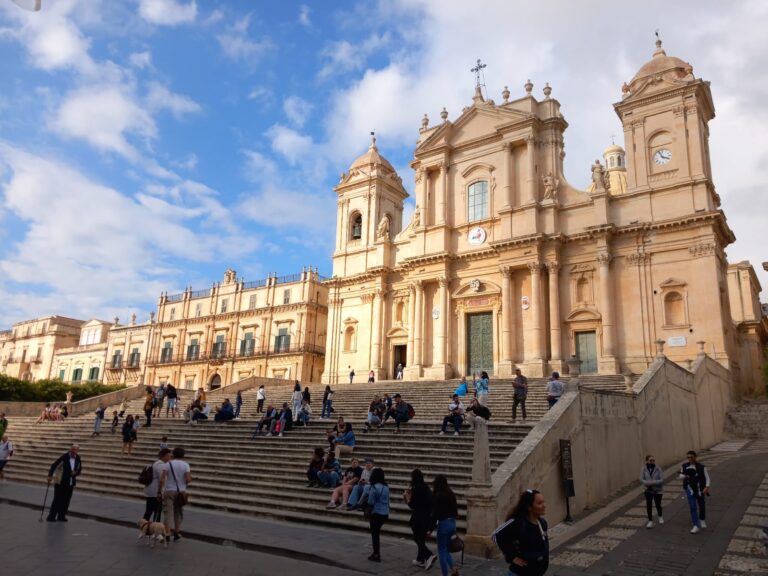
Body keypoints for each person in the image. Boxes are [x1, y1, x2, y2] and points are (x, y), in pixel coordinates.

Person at [493, 489, 549, 576]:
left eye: (543, 502)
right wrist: (512, 556)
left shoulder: (542, 523)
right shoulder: (518, 523)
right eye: (539, 503)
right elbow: (497, 535)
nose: (544, 506)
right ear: (529, 507)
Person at [405, 469, 436, 569]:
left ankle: (429, 554)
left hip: (418, 517)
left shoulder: (416, 488)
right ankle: (420, 559)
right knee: (421, 538)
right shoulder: (426, 487)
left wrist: (407, 497)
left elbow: (412, 505)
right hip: (427, 516)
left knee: (417, 538)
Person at [430, 474, 459, 576]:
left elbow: (435, 514)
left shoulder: (439, 496)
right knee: (445, 548)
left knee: (441, 550)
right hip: (452, 523)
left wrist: (430, 528)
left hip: (444, 524)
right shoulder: (451, 493)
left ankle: (445, 574)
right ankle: (453, 568)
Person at [46, 444, 82, 522]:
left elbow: (79, 469)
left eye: (76, 450)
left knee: (66, 500)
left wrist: (75, 473)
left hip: (70, 483)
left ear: (77, 451)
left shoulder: (78, 458)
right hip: (60, 482)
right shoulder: (64, 457)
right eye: (73, 449)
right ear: (70, 449)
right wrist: (50, 475)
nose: (74, 451)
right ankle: (51, 516)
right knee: (57, 499)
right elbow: (54, 465)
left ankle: (61, 516)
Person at [163, 446, 191, 542]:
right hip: (180, 492)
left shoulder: (168, 464)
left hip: (169, 490)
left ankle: (167, 533)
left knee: (168, 513)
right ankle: (176, 532)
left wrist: (159, 491)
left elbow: (163, 479)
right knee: (178, 512)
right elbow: (187, 479)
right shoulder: (186, 465)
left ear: (173, 454)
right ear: (183, 455)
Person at [679, 450, 710, 533]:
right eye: (688, 457)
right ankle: (696, 525)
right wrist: (684, 476)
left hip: (700, 489)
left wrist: (707, 487)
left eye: (691, 457)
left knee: (702, 505)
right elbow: (680, 475)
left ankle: (702, 519)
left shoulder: (702, 467)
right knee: (692, 506)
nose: (689, 459)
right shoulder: (684, 466)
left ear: (695, 457)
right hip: (689, 489)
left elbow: (707, 478)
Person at [366, 467, 390, 562]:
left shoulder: (374, 487)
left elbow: (370, 502)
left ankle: (376, 554)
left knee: (375, 534)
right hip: (385, 513)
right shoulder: (386, 487)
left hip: (376, 513)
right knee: (376, 533)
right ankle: (376, 553)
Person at [143, 448, 171, 522]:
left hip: (151, 490)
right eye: (168, 455)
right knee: (157, 512)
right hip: (155, 491)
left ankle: (145, 528)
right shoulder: (161, 465)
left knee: (149, 511)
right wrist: (160, 492)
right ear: (163, 456)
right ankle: (154, 529)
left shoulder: (156, 463)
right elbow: (162, 480)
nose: (169, 457)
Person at [640, 454, 664, 529]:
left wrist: (654, 482)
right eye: (650, 460)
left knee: (658, 504)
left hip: (657, 490)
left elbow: (662, 479)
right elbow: (641, 479)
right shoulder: (643, 469)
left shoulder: (658, 468)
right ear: (647, 461)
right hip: (648, 490)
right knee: (649, 505)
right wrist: (647, 483)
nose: (652, 461)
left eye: (653, 460)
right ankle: (650, 520)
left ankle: (660, 516)